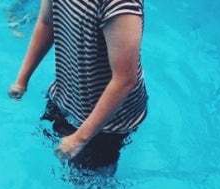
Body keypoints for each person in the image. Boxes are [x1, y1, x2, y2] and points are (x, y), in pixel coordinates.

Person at [8, 0, 148, 174]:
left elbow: (124, 80)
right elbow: (46, 23)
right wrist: (22, 80)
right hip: (66, 97)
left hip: (109, 121)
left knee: (89, 183)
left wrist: (79, 139)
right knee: (48, 149)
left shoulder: (118, 4)